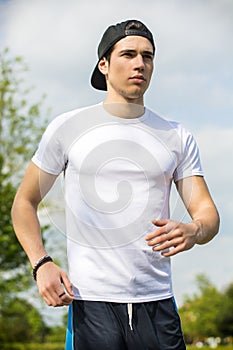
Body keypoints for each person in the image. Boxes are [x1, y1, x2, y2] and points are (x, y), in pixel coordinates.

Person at [11, 19, 220, 350]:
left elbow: (207, 212)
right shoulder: (68, 128)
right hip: (91, 304)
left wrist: (194, 231)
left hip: (158, 304)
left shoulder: (177, 136)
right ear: (104, 65)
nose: (140, 64)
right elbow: (24, 202)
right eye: (129, 54)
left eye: (148, 56)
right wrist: (41, 263)